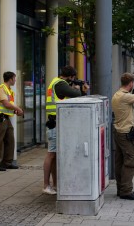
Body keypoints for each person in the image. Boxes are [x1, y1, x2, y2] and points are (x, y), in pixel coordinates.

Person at [42, 66, 89, 195]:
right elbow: (76, 95)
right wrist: (82, 90)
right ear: (71, 76)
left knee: (54, 155)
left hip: (56, 123)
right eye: (73, 78)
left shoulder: (56, 82)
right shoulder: (60, 84)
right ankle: (46, 185)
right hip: (55, 124)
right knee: (51, 154)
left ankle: (55, 185)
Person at [112, 73, 134, 200]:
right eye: (133, 83)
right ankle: (126, 191)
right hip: (126, 133)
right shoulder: (125, 96)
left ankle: (120, 188)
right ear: (131, 83)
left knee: (120, 161)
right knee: (130, 161)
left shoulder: (117, 94)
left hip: (119, 132)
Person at [0, 71, 24, 171]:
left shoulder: (9, 90)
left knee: (10, 139)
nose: (15, 80)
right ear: (10, 79)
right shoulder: (2, 88)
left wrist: (15, 110)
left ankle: (7, 162)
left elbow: (9, 106)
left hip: (6, 117)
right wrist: (18, 109)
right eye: (14, 78)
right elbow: (5, 103)